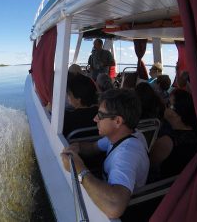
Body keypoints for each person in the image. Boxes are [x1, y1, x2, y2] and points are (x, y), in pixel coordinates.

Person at [61, 89, 149, 219]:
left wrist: (79, 170)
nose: (95, 118)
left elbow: (115, 207)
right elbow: (93, 147)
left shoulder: (127, 154)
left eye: (101, 115)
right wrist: (77, 147)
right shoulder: (122, 134)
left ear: (118, 121)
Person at [150, 89, 197, 180]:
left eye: (169, 104)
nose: (165, 105)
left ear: (177, 114)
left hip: (164, 189)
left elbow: (149, 163)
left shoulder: (167, 142)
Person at [63, 73, 98, 138]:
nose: (68, 97)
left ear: (78, 100)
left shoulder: (67, 117)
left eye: (69, 94)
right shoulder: (101, 114)